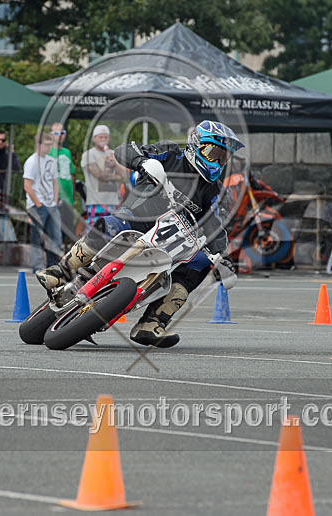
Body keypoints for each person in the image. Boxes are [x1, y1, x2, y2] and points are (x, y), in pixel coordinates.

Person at [36, 120, 243, 348]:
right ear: (196, 145)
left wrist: (224, 258)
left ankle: (152, 322)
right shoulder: (171, 153)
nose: (217, 162)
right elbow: (125, 149)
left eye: (223, 157)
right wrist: (142, 162)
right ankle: (62, 271)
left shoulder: (212, 189)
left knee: (201, 264)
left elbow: (214, 223)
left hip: (171, 243)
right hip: (136, 219)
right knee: (111, 224)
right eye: (213, 153)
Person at [24, 132, 61, 270]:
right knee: (37, 237)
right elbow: (27, 185)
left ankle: (52, 266)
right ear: (39, 145)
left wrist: (55, 200)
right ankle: (37, 266)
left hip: (51, 204)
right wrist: (38, 204)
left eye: (51, 144)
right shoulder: (32, 161)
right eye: (47, 144)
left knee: (55, 237)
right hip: (37, 205)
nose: (50, 147)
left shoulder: (51, 161)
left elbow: (55, 182)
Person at [80, 125, 127, 226]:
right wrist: (117, 177)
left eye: (106, 137)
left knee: (112, 231)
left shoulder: (114, 154)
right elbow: (99, 175)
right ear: (94, 138)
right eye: (100, 137)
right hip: (96, 201)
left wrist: (115, 164)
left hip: (113, 201)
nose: (103, 139)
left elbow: (125, 174)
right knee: (94, 232)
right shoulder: (89, 155)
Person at [49, 122, 76, 242]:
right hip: (54, 197)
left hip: (68, 198)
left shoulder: (67, 152)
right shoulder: (48, 152)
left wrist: (73, 195)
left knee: (68, 229)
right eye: (56, 133)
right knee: (54, 229)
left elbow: (71, 174)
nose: (59, 135)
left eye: (62, 133)